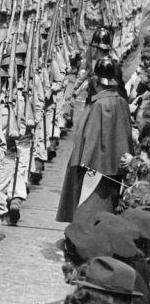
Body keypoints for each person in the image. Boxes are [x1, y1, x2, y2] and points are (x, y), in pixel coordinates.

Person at [58, 56, 133, 223]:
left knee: (90, 208)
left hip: (94, 166)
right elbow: (126, 136)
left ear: (97, 82)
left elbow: (91, 137)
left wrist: (85, 161)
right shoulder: (121, 102)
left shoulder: (99, 105)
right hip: (115, 166)